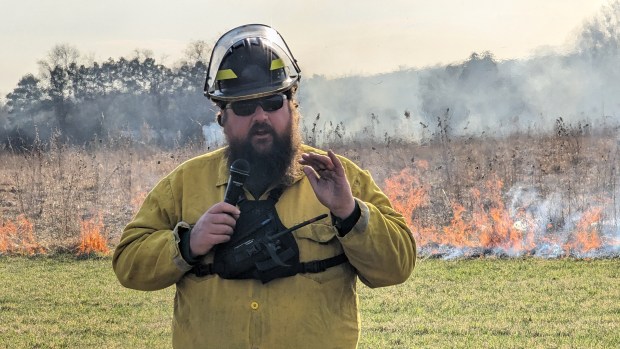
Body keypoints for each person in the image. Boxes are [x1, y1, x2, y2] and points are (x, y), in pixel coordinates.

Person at [113, 23, 416, 349]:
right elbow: (128, 263)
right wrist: (187, 244)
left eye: (272, 103)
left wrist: (349, 212)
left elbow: (396, 267)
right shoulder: (185, 184)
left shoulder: (341, 179)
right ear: (223, 119)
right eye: (243, 107)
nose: (260, 117)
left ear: (292, 109)